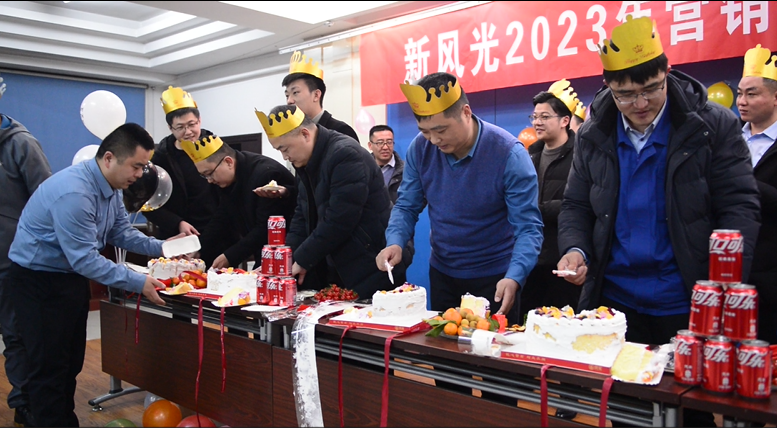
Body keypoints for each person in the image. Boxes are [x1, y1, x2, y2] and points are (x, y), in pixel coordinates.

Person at [556, 16, 760, 427]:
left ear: (667, 72)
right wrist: (576, 249)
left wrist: (722, 283)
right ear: (608, 87)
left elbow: (740, 206)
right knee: (627, 411)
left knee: (690, 413)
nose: (640, 104)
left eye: (651, 88)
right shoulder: (594, 134)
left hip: (687, 302)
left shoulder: (711, 127)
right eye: (625, 95)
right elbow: (575, 204)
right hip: (616, 305)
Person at [6, 123, 169, 427]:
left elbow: (121, 232)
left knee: (70, 362)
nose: (139, 174)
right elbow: (85, 260)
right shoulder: (74, 192)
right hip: (38, 282)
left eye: (144, 166)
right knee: (49, 366)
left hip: (69, 279)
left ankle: (57, 419)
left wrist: (165, 247)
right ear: (109, 158)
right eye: (136, 166)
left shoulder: (112, 188)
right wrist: (138, 282)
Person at [377, 71, 543, 326]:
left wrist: (515, 276)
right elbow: (407, 205)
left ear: (466, 112)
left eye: (441, 130)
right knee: (442, 346)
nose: (434, 140)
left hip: (496, 277)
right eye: (425, 131)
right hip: (443, 272)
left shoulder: (508, 154)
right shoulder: (421, 148)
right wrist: (395, 242)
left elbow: (529, 227)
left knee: (490, 347)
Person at [255, 105, 395, 296]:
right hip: (337, 263)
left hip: (371, 261)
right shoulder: (305, 162)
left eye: (285, 149)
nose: (285, 156)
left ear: (305, 134)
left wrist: (303, 259)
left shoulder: (345, 154)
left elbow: (340, 219)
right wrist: (284, 261)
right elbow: (301, 217)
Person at [0, 75, 52, 428]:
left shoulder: (21, 144)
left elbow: (48, 202)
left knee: (18, 335)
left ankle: (27, 403)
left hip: (15, 263)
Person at [182, 135, 297, 269]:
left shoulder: (266, 174)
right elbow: (222, 216)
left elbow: (265, 228)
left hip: (286, 250)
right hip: (263, 249)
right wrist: (200, 248)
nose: (209, 180)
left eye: (209, 173)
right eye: (204, 175)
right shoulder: (226, 180)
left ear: (228, 162)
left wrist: (230, 256)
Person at [520, 80, 581, 320]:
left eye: (545, 117)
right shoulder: (530, 154)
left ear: (565, 120)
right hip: (531, 258)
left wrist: (537, 209)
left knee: (563, 323)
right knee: (528, 323)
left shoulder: (580, 155)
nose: (537, 122)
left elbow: (577, 204)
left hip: (564, 259)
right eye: (534, 117)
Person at [145, 87, 221, 248]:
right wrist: (177, 223)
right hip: (176, 236)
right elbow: (146, 204)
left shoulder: (217, 150)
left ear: (199, 120)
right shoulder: (160, 158)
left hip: (216, 233)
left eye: (192, 124)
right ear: (170, 128)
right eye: (180, 127)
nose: (188, 132)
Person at [737, 44, 777, 344]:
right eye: (740, 93)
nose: (742, 101)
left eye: (752, 94)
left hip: (769, 274)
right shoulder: (728, 138)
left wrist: (742, 181)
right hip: (727, 271)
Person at [282, 50, 359, 142]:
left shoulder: (341, 131)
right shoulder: (294, 133)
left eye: (295, 92)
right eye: (287, 95)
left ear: (316, 95)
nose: (289, 101)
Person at [369, 124, 414, 279]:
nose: (385, 147)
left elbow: (417, 200)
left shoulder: (406, 170)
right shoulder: (362, 169)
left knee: (397, 285)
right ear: (370, 145)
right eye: (380, 142)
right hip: (370, 237)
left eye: (389, 142)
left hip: (399, 236)